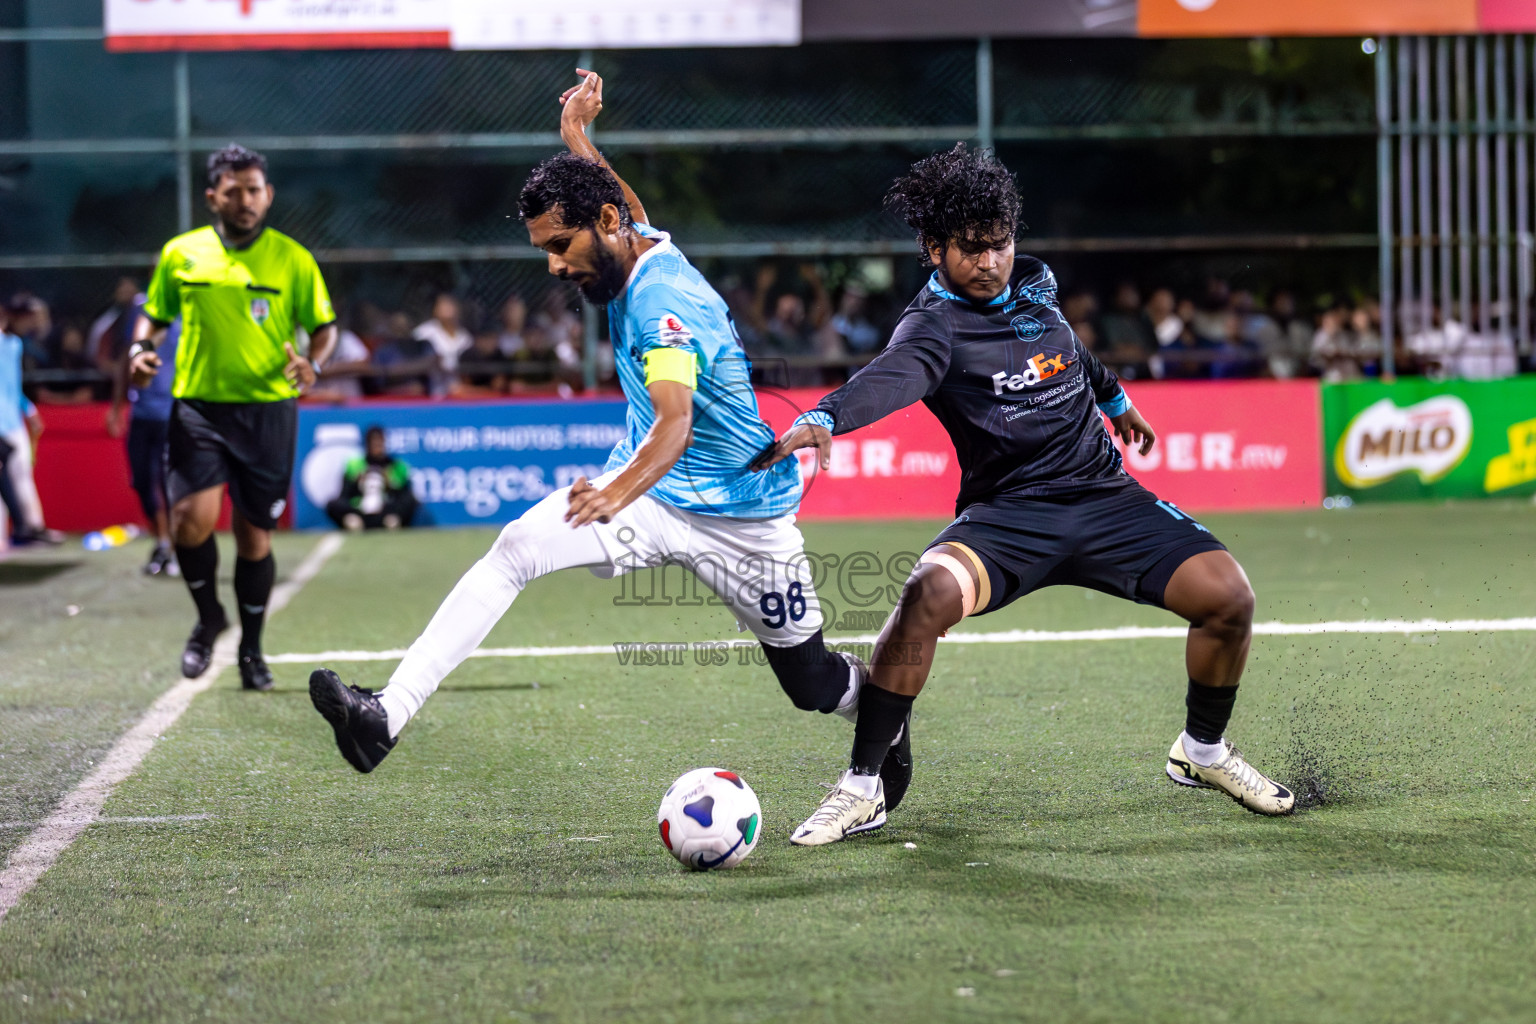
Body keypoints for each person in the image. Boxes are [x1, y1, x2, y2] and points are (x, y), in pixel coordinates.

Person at [308, 70, 902, 803]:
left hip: (740, 514)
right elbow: (621, 200)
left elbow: (674, 423)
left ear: (607, 226)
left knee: (811, 683)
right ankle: (384, 717)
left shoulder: (663, 302)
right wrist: (577, 139)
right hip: (652, 497)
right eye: (545, 249)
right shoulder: (634, 240)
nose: (555, 265)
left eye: (561, 245)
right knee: (516, 549)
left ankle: (883, 721)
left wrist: (615, 493)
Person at [754, 144, 1294, 845]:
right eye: (972, 250)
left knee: (1230, 599)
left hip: (1104, 496)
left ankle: (1203, 753)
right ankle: (863, 786)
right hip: (1009, 516)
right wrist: (825, 416)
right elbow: (892, 377)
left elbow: (1071, 350)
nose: (989, 263)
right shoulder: (934, 328)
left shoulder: (1037, 288)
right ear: (934, 248)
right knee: (924, 599)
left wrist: (1116, 398)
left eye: (1000, 245)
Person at [129, 143, 338, 691]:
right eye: (235, 190)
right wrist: (138, 352)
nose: (246, 199)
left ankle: (250, 646)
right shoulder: (181, 253)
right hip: (198, 408)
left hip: (268, 411)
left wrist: (314, 363)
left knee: (254, 538)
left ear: (267, 195)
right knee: (187, 524)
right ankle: (208, 618)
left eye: (255, 190)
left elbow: (324, 326)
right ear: (212, 196)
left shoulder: (292, 258)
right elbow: (152, 319)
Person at [108, 306, 182, 577]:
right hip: (142, 414)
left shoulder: (186, 313)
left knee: (168, 483)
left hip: (173, 414)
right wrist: (117, 407)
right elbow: (123, 360)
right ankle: (162, 542)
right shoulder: (141, 314)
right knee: (141, 481)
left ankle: (172, 548)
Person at [0, 302, 58, 546]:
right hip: (7, 425)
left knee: (20, 477)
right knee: (14, 479)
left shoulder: (13, 345)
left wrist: (29, 409)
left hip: (12, 423)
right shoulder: (12, 344)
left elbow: (12, 385)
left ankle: (32, 529)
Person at [324, 425, 418, 530]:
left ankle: (392, 521)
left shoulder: (396, 466)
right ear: (367, 444)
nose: (377, 445)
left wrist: (389, 484)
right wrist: (357, 482)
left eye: (380, 441)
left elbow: (404, 494)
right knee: (332, 504)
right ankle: (354, 521)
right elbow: (344, 495)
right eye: (373, 441)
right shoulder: (355, 465)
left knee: (412, 500)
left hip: (385, 510)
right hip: (361, 510)